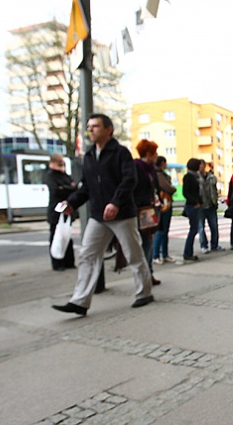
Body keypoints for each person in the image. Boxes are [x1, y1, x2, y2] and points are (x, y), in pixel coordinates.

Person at [52, 113, 154, 316]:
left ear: (108, 129)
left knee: (133, 253)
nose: (90, 130)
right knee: (87, 255)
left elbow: (129, 180)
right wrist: (71, 203)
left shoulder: (120, 153)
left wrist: (116, 202)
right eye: (89, 127)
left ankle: (144, 293)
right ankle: (80, 301)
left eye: (95, 126)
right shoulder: (89, 156)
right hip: (98, 215)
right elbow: (86, 187)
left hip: (122, 214)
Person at [133, 139, 161, 286]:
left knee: (149, 242)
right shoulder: (136, 167)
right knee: (145, 243)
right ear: (148, 153)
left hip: (149, 209)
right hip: (140, 210)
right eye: (154, 153)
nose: (156, 156)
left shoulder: (151, 169)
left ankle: (148, 273)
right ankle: (145, 275)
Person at [45, 153, 77, 271]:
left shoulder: (64, 175)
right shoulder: (50, 176)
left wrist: (65, 187)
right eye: (59, 161)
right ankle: (57, 263)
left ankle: (69, 262)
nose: (62, 163)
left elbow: (75, 188)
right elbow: (55, 191)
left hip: (67, 211)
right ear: (53, 162)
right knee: (56, 236)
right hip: (56, 211)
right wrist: (68, 188)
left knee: (67, 236)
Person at [153, 156, 176, 264]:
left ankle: (164, 254)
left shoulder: (157, 173)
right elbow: (166, 186)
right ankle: (156, 255)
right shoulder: (159, 174)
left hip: (163, 202)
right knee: (162, 230)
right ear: (162, 163)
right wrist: (173, 189)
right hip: (163, 203)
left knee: (164, 230)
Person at [198, 161, 224, 253]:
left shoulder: (212, 177)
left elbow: (215, 190)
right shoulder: (196, 177)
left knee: (214, 226)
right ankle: (203, 245)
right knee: (201, 227)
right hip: (201, 205)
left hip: (211, 205)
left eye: (202, 165)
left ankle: (214, 245)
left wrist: (216, 201)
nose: (200, 167)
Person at [182, 157, 202, 261]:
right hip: (192, 205)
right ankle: (187, 253)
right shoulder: (188, 177)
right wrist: (195, 202)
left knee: (194, 229)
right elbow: (186, 192)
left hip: (196, 204)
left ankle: (188, 252)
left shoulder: (197, 176)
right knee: (193, 229)